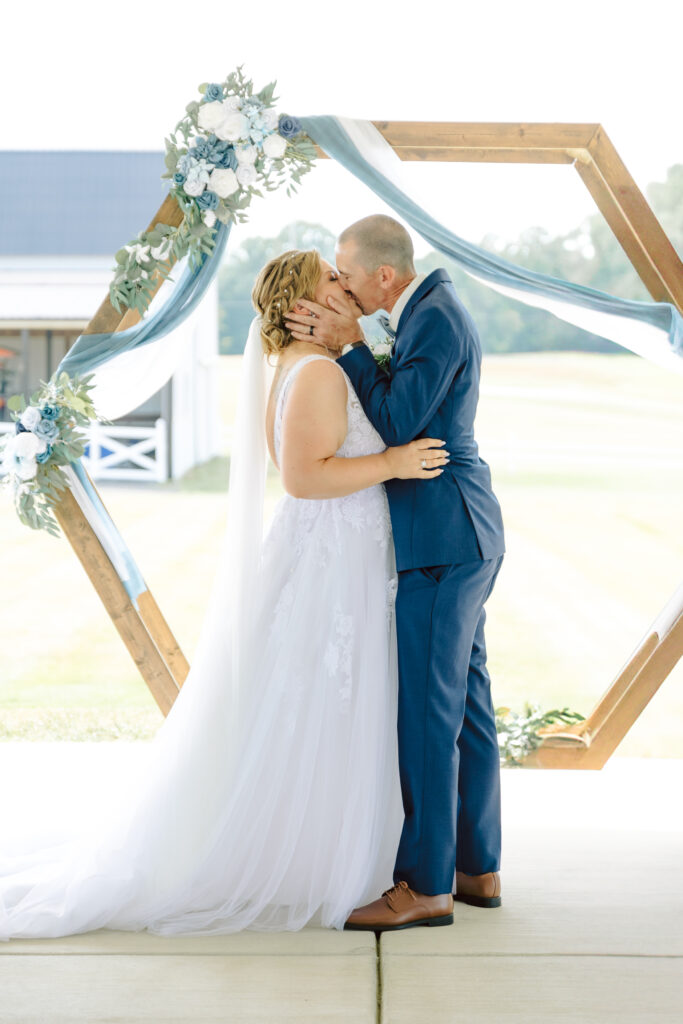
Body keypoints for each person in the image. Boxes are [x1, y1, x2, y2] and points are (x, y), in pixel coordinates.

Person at [0, 247, 449, 939]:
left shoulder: (292, 368)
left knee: (314, 701)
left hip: (334, 550)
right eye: (329, 278)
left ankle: (334, 847)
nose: (343, 282)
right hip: (333, 558)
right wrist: (391, 461)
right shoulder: (320, 373)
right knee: (327, 700)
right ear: (302, 305)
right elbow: (303, 478)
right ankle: (316, 859)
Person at [285, 214, 506, 931]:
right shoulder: (429, 311)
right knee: (465, 708)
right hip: (455, 532)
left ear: (384, 275)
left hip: (443, 536)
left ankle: (423, 887)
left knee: (428, 715)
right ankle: (476, 868)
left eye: (345, 272)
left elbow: (398, 421)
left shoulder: (435, 317)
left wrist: (349, 346)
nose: (341, 286)